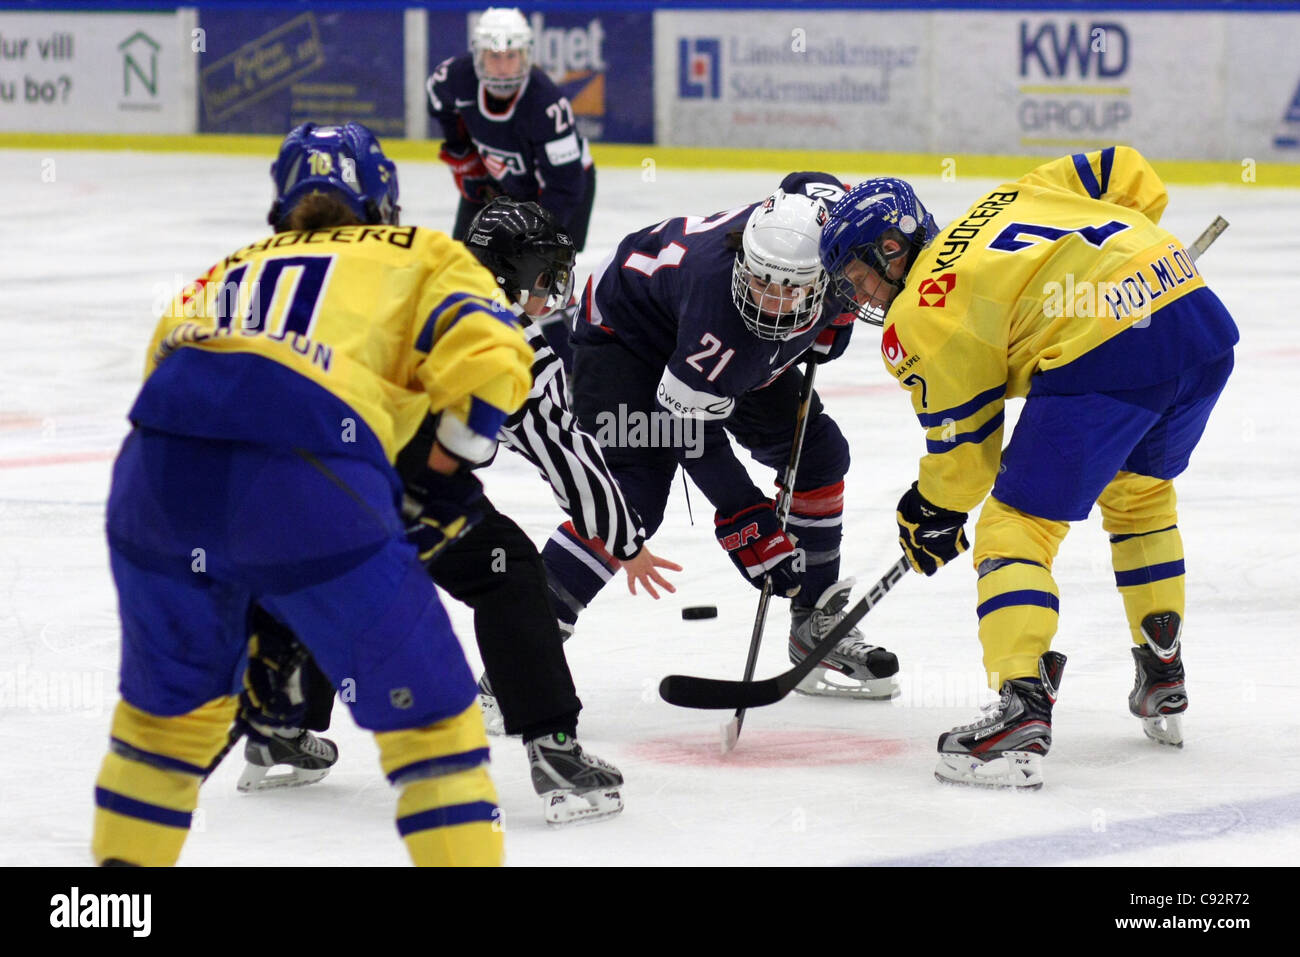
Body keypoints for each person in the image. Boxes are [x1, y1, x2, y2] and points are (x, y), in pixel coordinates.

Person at [92, 122, 533, 866]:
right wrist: (441, 479)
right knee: (434, 724)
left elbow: (168, 383)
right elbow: (490, 364)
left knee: (166, 725)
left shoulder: (229, 266)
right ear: (381, 194)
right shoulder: (423, 252)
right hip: (310, 464)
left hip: (152, 477)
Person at [239, 198, 675, 825]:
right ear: (502, 271)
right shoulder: (503, 332)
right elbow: (561, 448)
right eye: (540, 271)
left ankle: (278, 724)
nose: (550, 287)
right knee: (510, 572)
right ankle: (553, 747)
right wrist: (622, 535)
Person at [819, 147, 1239, 788]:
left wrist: (931, 512)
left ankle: (1021, 710)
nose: (862, 294)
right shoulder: (1006, 196)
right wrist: (1130, 259)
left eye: (860, 275)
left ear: (892, 247)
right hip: (1197, 321)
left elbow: (966, 456)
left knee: (1014, 527)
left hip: (1110, 354)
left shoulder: (921, 315)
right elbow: (1124, 169)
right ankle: (1163, 674)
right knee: (1139, 497)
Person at [542, 173, 901, 698]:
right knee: (631, 498)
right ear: (743, 264)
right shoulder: (725, 315)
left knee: (819, 456)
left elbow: (808, 182)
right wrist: (743, 515)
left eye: (790, 289)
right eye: (760, 283)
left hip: (723, 340)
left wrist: (833, 323)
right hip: (629, 334)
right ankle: (521, 654)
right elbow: (689, 427)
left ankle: (814, 625)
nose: (772, 303)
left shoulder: (840, 246)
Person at [427, 6, 595, 368]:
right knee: (466, 266)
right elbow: (441, 107)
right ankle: (477, 355)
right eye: (494, 57)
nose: (502, 68)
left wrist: (534, 241)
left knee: (539, 282)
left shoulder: (547, 106)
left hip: (563, 191)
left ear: (527, 56)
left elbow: (565, 185)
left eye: (511, 57)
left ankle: (565, 363)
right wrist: (463, 155)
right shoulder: (452, 79)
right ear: (477, 57)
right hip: (498, 184)